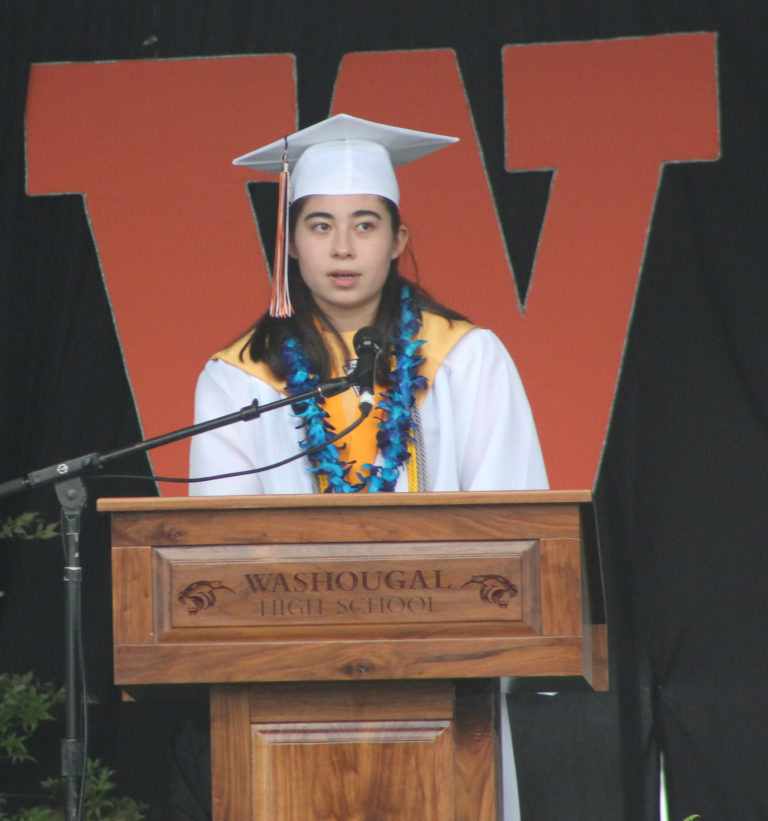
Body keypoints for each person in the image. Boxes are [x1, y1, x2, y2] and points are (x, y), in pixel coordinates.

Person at [188, 113, 548, 821]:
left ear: (398, 240)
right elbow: (218, 559)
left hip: (449, 693)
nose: (343, 247)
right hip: (285, 705)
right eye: (319, 225)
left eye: (365, 224)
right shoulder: (238, 380)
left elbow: (516, 531)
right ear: (289, 243)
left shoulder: (468, 360)